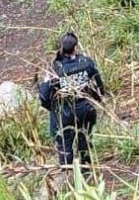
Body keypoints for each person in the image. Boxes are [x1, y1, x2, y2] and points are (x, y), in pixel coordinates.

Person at [38, 32, 105, 167]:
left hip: (65, 111)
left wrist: (51, 108)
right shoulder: (86, 62)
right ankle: (86, 170)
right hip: (86, 107)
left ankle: (68, 174)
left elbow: (44, 95)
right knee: (84, 138)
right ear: (76, 46)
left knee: (65, 145)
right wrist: (98, 99)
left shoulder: (55, 68)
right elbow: (99, 85)